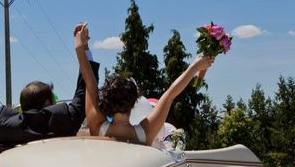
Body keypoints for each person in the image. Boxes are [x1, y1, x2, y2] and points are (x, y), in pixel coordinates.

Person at [74, 23, 214, 145]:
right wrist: (194, 67)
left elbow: (90, 81)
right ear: (135, 103)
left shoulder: (97, 126)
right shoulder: (145, 133)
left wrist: (81, 47)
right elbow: (170, 94)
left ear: (106, 100)